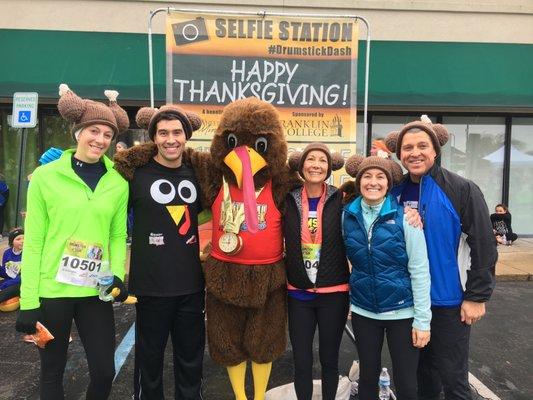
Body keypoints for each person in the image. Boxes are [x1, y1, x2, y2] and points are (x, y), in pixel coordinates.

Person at [14, 84, 130, 400]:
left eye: (108, 134)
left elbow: (117, 235)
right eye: (94, 131)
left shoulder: (117, 183)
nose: (101, 140)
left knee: (105, 371)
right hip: (52, 291)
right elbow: (34, 241)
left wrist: (117, 275)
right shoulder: (45, 177)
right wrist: (28, 302)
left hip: (95, 290)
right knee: (52, 371)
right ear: (77, 132)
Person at [385, 115, 497, 400]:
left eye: (422, 145)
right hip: (407, 303)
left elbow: (483, 243)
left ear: (435, 150)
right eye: (408, 148)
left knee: (453, 381)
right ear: (400, 155)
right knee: (418, 380)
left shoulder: (461, 188)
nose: (415, 152)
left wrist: (477, 296)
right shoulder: (394, 193)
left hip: (447, 301)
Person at [114, 105, 205, 400]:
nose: (170, 139)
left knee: (190, 361)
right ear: (153, 137)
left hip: (192, 285)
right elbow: (110, 218)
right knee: (149, 364)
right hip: (151, 287)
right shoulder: (133, 175)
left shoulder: (198, 174)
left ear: (186, 136)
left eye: (177, 132)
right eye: (163, 133)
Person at [342, 155, 431, 400]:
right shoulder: (346, 216)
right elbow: (348, 261)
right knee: (368, 378)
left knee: (406, 382)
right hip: (364, 312)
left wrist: (423, 321)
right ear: (359, 182)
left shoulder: (406, 218)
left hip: (402, 313)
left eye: (380, 176)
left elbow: (420, 269)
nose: (373, 182)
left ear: (388, 184)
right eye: (367, 176)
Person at [283, 143, 350, 400]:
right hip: (298, 293)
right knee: (301, 361)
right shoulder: (288, 199)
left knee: (329, 359)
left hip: (333, 292)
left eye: (322, 160)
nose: (316, 165)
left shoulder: (341, 199)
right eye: (311, 159)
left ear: (329, 167)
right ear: (301, 167)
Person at [0, 228, 24, 304]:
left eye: (24, 238)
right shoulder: (7, 253)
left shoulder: (28, 254)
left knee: (11, 289)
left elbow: (24, 277)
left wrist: (4, 286)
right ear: (12, 242)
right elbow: (6, 272)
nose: (22, 241)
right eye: (18, 239)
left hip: (21, 283)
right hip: (9, 280)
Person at [0, 174, 9, 238]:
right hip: (3, 194)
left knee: (0, 213)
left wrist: (1, 202)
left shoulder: (2, 185)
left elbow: (6, 192)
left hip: (2, 196)